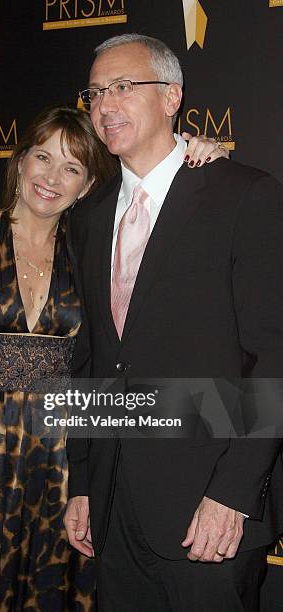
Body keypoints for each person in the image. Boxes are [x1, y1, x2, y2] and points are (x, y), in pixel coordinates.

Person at [0, 104, 225, 610]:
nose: (52, 178)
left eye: (72, 167)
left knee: (51, 592)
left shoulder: (91, 249)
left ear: (87, 183)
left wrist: (194, 149)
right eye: (43, 157)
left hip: (62, 456)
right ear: (20, 159)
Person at [64, 34, 283, 612]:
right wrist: (83, 482)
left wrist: (234, 495)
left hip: (207, 512)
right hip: (113, 512)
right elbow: (91, 361)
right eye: (94, 92)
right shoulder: (86, 218)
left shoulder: (243, 195)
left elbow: (272, 356)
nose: (104, 104)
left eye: (122, 87)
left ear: (172, 97)